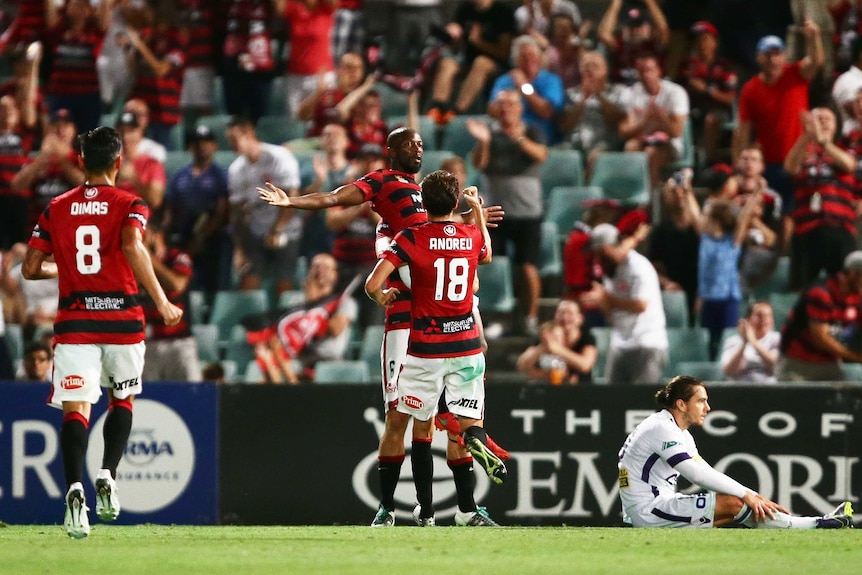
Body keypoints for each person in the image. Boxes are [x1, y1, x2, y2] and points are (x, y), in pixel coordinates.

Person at [258, 126, 505, 527]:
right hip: (407, 319)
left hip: (439, 318)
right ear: (390, 151)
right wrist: (292, 202)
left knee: (442, 420)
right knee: (400, 418)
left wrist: (464, 217)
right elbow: (335, 198)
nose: (418, 148)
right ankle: (391, 507)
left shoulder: (420, 215)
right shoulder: (383, 188)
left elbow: (436, 231)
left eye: (422, 143)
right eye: (410, 143)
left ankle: (457, 508)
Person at [21, 126, 182, 539]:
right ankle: (108, 473)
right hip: (123, 323)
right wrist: (162, 301)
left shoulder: (55, 207)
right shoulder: (131, 204)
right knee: (121, 398)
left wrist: (69, 269)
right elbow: (131, 245)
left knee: (76, 408)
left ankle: (74, 487)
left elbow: (30, 269)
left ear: (79, 161)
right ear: (117, 162)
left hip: (75, 324)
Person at [365, 173, 504, 527]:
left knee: (406, 421)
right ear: (456, 203)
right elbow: (485, 255)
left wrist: (381, 296)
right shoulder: (471, 235)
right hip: (468, 346)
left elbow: (373, 283)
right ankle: (475, 442)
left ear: (422, 203)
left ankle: (395, 510)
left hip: (426, 348)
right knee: (467, 422)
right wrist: (476, 210)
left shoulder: (409, 238)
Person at [617, 375, 854, 528]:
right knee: (733, 504)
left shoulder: (678, 432)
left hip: (652, 506)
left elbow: (704, 469)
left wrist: (753, 495)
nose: (708, 408)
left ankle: (814, 524)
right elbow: (695, 475)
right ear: (681, 404)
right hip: (649, 510)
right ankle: (819, 525)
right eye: (701, 401)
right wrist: (745, 495)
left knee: (738, 506)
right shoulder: (662, 428)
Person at [732, 22, 823, 248]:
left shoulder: (795, 74)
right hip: (770, 162)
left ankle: (787, 257)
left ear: (784, 56)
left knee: (793, 213)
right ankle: (775, 254)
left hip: (800, 158)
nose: (773, 59)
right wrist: (739, 163)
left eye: (777, 54)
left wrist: (814, 37)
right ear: (758, 58)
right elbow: (743, 129)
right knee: (772, 211)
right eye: (767, 54)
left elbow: (816, 62)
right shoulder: (751, 90)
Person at [468, 89, 547, 333]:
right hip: (495, 210)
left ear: (520, 108)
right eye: (501, 104)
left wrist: (518, 138)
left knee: (527, 267)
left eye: (511, 104)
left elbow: (541, 155)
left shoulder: (532, 130)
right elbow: (479, 163)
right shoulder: (488, 132)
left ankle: (530, 316)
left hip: (527, 211)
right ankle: (497, 316)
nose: (506, 109)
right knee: (494, 265)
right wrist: (484, 141)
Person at [580, 223, 667, 385]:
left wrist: (606, 299)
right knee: (615, 399)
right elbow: (610, 314)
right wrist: (601, 302)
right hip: (620, 343)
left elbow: (641, 305)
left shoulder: (638, 267)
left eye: (598, 254)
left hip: (646, 343)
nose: (596, 259)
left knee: (642, 400)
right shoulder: (610, 272)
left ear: (606, 249)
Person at [784, 108, 858, 290]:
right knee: (802, 290)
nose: (823, 122)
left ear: (835, 126)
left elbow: (849, 165)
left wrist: (824, 143)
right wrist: (806, 137)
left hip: (840, 228)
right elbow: (790, 167)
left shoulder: (845, 150)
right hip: (806, 230)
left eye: (828, 119)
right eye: (819, 118)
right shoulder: (803, 153)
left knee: (849, 288)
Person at [228, 116, 302, 295]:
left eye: (235, 137)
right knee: (248, 278)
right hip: (256, 229)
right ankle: (250, 320)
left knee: (284, 283)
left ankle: (284, 320)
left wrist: (277, 229)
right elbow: (236, 211)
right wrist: (239, 247)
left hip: (285, 229)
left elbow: (292, 197)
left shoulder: (279, 157)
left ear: (250, 133)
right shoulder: (236, 169)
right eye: (229, 139)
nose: (231, 143)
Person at [776, 250, 862, 382]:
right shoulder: (821, 293)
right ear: (852, 273)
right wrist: (854, 357)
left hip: (829, 363)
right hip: (798, 363)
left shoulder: (856, 296)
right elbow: (820, 338)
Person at [140, 218, 201, 382]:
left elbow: (177, 284)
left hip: (179, 343)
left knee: (193, 395)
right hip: (148, 344)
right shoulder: (132, 263)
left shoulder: (177, 257)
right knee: (149, 399)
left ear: (157, 235)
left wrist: (147, 258)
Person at [618, 53, 690, 187]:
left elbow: (676, 131)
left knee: (651, 154)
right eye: (641, 71)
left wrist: (660, 117)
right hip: (642, 140)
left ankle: (649, 200)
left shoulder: (676, 92)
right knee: (630, 146)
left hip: (669, 144)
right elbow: (623, 131)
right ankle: (634, 193)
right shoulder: (630, 93)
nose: (646, 75)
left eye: (649, 70)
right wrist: (645, 121)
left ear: (658, 71)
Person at [515, 299, 597, 384]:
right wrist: (543, 347)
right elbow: (522, 366)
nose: (564, 317)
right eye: (561, 312)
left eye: (570, 313)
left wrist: (557, 349)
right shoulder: (547, 335)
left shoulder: (586, 338)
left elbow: (585, 365)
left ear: (580, 318)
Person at [720, 300, 781, 383]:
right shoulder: (732, 341)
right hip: (739, 389)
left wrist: (753, 342)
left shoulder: (777, 339)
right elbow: (728, 371)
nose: (764, 319)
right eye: (759, 315)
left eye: (768, 316)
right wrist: (744, 343)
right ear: (748, 319)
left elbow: (776, 366)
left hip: (768, 390)